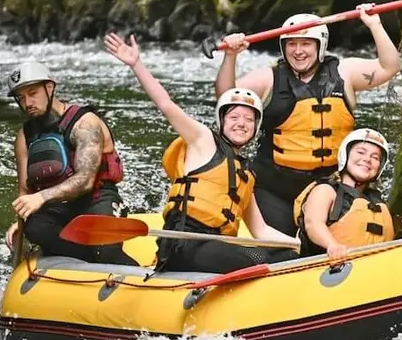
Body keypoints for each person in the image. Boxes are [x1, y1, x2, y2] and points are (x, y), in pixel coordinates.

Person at [103, 32, 299, 273]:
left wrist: (304, 245)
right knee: (257, 256)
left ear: (256, 127)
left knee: (286, 256)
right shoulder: (203, 140)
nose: (241, 123)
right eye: (234, 116)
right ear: (222, 120)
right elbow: (166, 105)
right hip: (184, 243)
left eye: (249, 119)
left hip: (216, 246)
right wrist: (136, 64)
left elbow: (261, 231)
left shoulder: (245, 175)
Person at [214, 5, 401, 236]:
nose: (298, 51)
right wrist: (230, 56)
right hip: (275, 188)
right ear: (283, 47)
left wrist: (375, 25)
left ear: (320, 46)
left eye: (306, 44)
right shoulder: (269, 78)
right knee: (283, 249)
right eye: (291, 44)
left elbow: (389, 66)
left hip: (329, 188)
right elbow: (226, 96)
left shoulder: (344, 73)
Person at [4, 61, 137, 265]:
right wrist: (20, 223)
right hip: (59, 206)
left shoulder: (85, 124)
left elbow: (85, 181)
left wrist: (41, 197)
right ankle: (85, 258)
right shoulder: (25, 136)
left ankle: (112, 262)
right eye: (21, 98)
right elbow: (25, 189)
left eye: (32, 93)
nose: (27, 103)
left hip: (97, 198)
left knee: (106, 249)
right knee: (35, 227)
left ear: (50, 88)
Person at [293, 128, 395, 262]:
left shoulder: (377, 202)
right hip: (326, 270)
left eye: (375, 157)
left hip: (369, 269)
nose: (367, 159)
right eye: (361, 152)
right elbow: (313, 223)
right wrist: (332, 245)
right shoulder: (326, 190)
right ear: (345, 155)